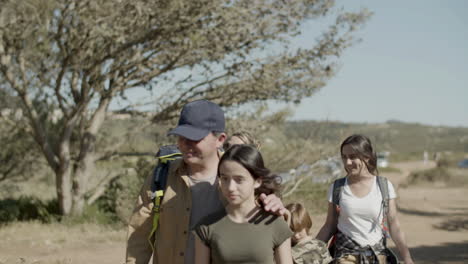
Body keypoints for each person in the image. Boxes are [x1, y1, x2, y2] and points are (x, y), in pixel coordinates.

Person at [126, 99, 287, 264]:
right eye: (181, 137)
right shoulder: (161, 176)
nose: (186, 144)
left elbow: (276, 229)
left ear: (220, 139)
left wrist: (275, 205)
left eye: (195, 138)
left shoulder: (244, 178)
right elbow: (139, 235)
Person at [316, 134, 414, 264]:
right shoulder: (337, 187)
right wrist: (312, 251)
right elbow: (329, 226)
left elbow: (394, 225)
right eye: (344, 157)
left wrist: (407, 258)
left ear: (367, 157)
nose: (347, 162)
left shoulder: (383, 186)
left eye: (352, 157)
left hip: (377, 256)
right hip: (345, 255)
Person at [194, 144, 293, 264]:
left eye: (239, 179)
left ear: (257, 181)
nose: (230, 187)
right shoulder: (206, 227)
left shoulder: (276, 224)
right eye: (225, 178)